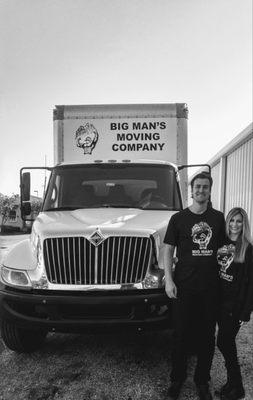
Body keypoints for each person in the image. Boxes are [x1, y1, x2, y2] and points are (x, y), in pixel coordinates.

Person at [164, 172, 225, 400]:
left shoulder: (218, 219)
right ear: (191, 190)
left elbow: (228, 249)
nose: (201, 190)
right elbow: (168, 250)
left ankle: (202, 381)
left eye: (205, 187)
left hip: (211, 288)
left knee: (207, 336)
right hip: (184, 287)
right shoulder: (178, 219)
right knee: (180, 334)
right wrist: (169, 280)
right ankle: (176, 380)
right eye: (197, 186)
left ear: (210, 191)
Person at [216, 207, 253, 400]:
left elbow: (252, 284)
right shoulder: (221, 243)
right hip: (219, 303)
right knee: (226, 342)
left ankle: (237, 387)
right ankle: (231, 383)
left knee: (224, 342)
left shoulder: (247, 248)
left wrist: (246, 312)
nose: (235, 225)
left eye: (239, 221)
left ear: (243, 223)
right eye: (232, 220)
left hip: (235, 306)